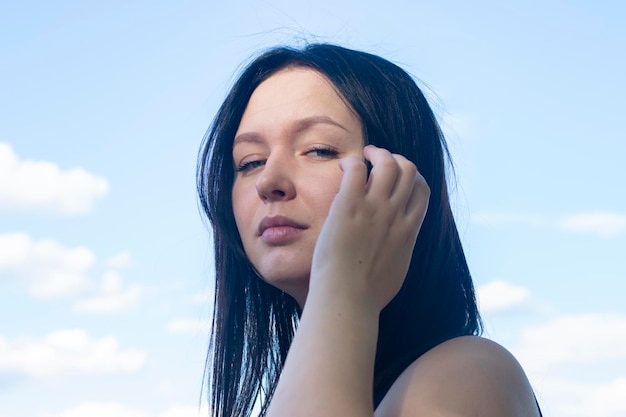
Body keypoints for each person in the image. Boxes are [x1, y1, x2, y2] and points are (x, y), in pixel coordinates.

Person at [197, 43, 542, 417]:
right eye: (250, 162)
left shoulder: (470, 374)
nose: (269, 180)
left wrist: (347, 285)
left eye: (319, 150)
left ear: (399, 179)